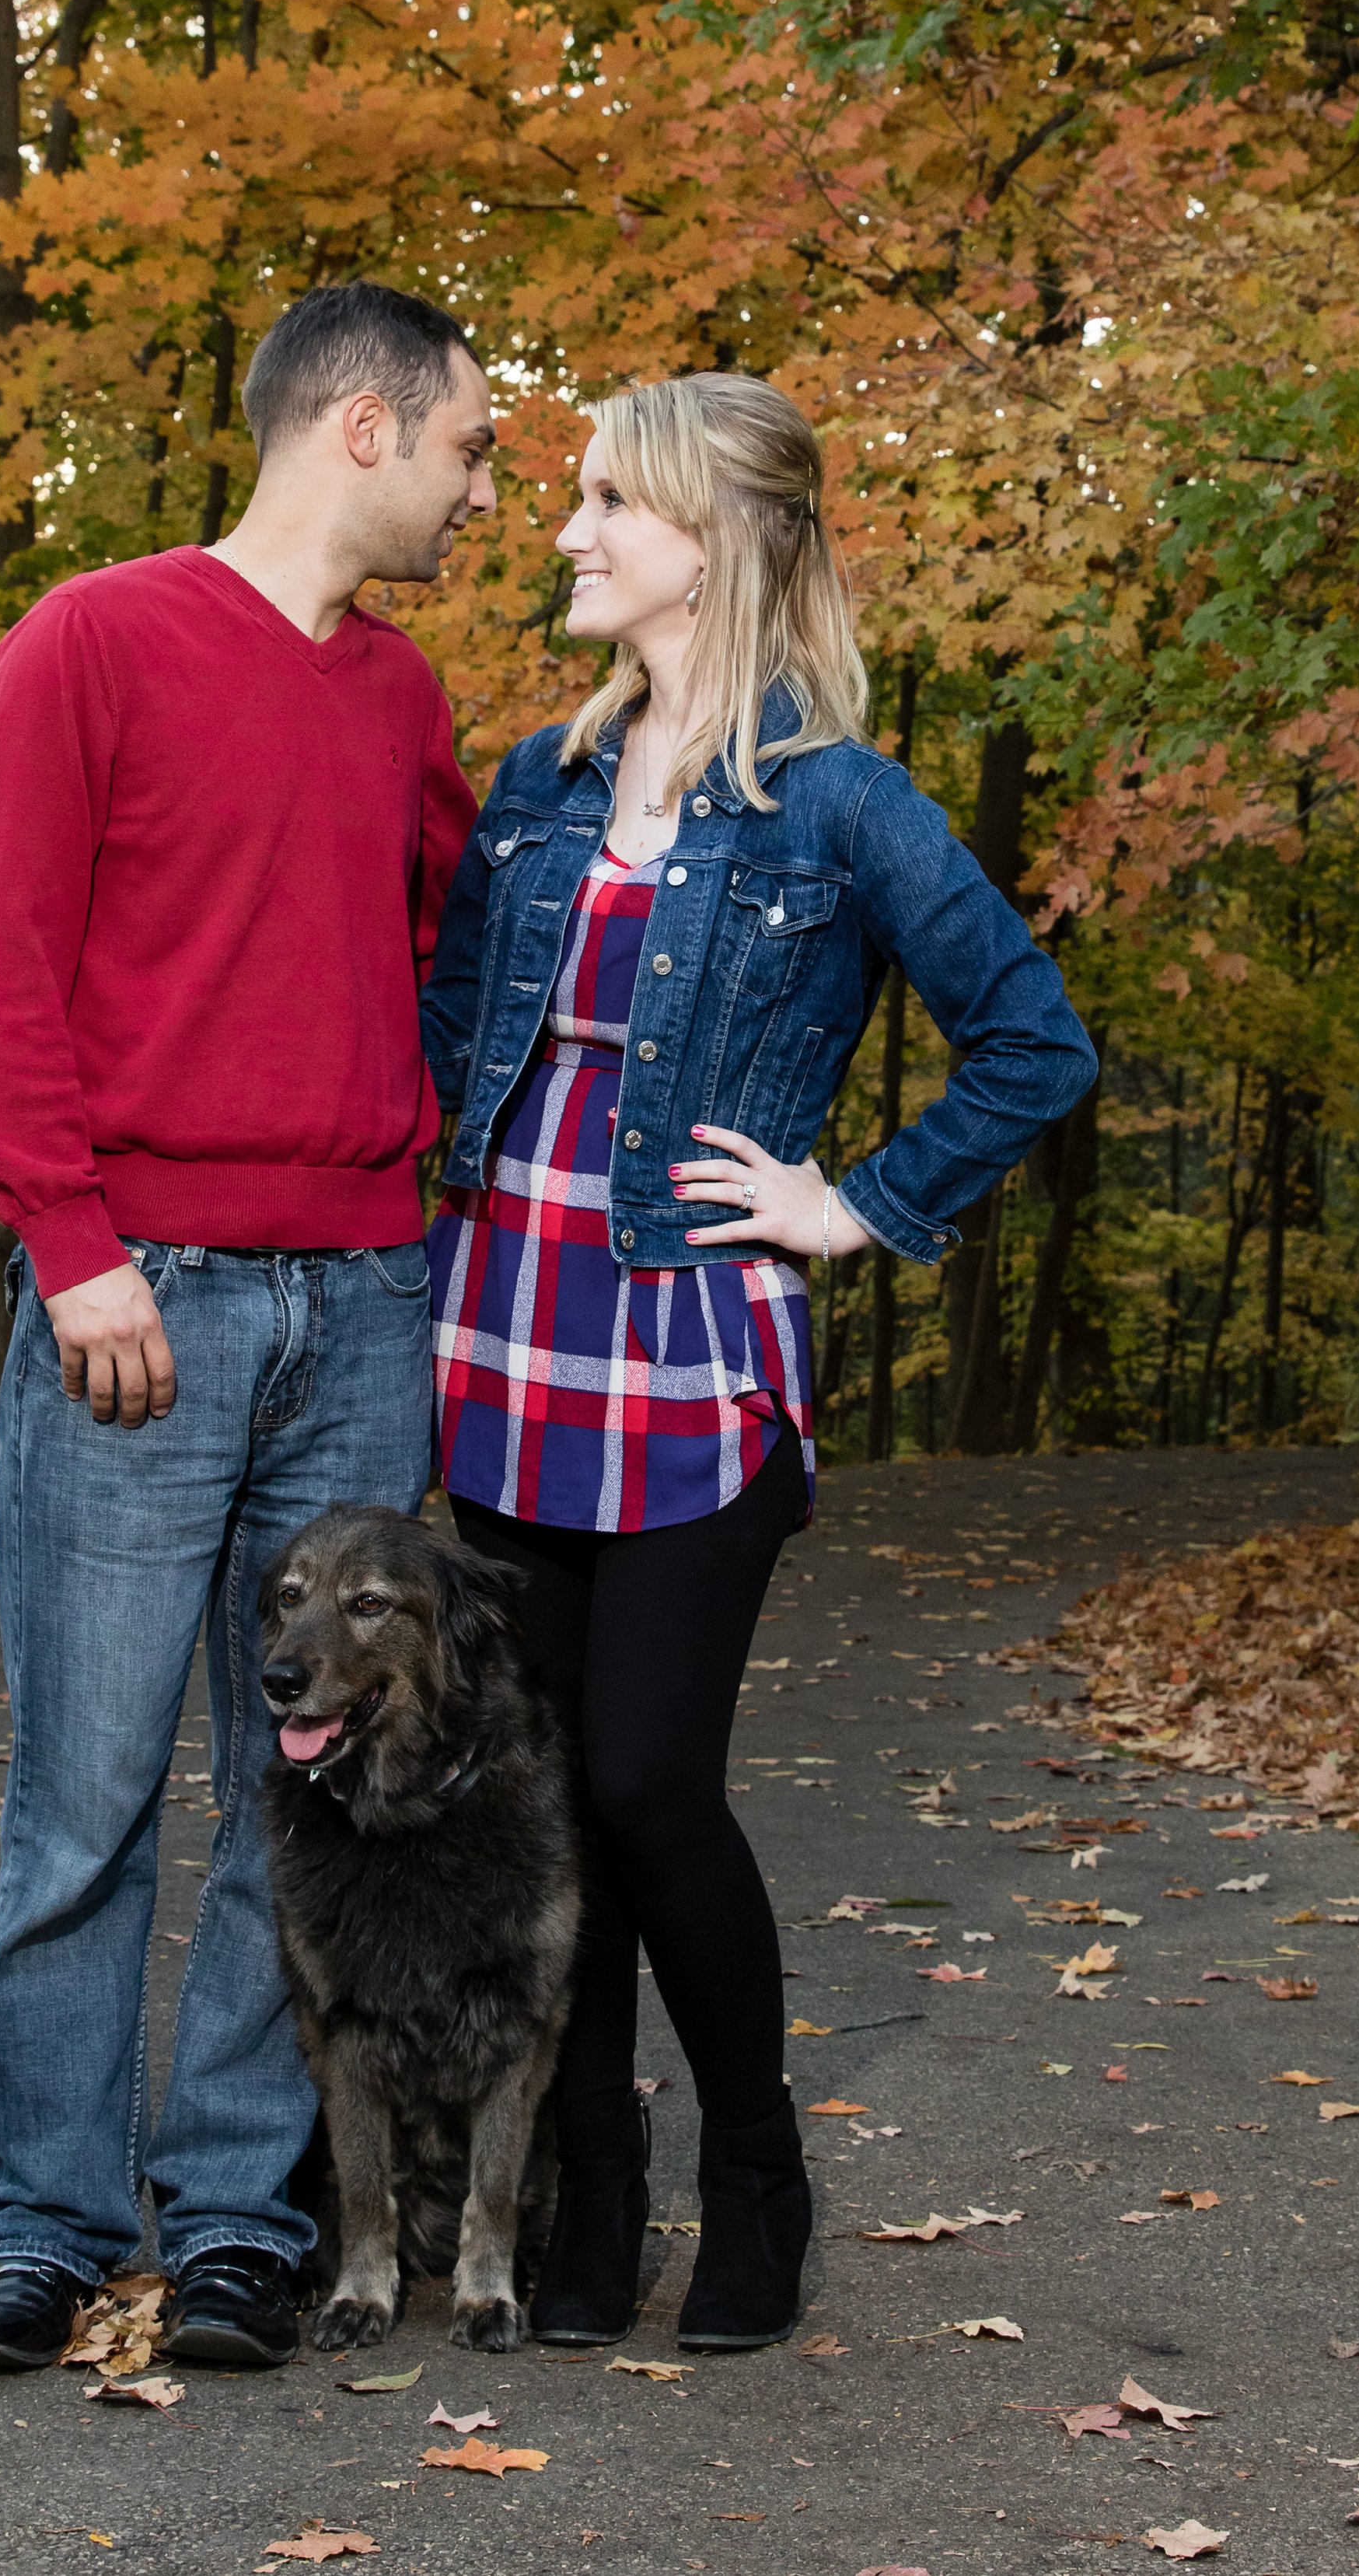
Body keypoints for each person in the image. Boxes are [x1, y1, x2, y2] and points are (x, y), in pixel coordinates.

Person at [421, 373, 1096, 2351]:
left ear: (714, 540)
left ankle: (754, 2167)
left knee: (648, 1781)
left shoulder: (839, 800)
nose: (564, 534)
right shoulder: (542, 782)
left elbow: (1034, 1043)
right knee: (553, 1797)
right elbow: (456, 1026)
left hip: (689, 1353)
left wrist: (856, 1206)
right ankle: (594, 2185)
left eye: (603, 506)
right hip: (503, 1337)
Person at [0, 282, 491, 2376]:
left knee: (312, 1786)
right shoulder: (93, 636)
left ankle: (243, 2210)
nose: (482, 485)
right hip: (138, 1300)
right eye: (471, 445)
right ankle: (49, 2218)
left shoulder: (402, 698)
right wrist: (72, 1243)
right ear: (362, 427)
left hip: (360, 1299)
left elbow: (452, 948)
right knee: (81, 1792)